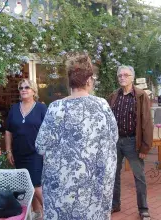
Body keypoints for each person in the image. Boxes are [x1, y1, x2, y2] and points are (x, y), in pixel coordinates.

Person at [35, 54, 118, 220]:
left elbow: (40, 146)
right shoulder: (102, 105)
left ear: (69, 81)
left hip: (62, 192)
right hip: (94, 190)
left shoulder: (55, 108)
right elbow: (113, 138)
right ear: (89, 81)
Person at [108, 65, 153, 219]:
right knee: (114, 175)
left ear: (132, 78)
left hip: (133, 142)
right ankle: (115, 204)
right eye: (120, 75)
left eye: (125, 75)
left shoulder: (140, 96)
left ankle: (143, 208)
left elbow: (147, 122)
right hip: (116, 142)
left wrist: (145, 147)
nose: (122, 78)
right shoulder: (114, 96)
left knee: (139, 176)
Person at [5, 79, 47, 220]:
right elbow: (8, 131)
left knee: (36, 185)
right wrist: (9, 150)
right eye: (21, 87)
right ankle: (37, 214)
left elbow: (48, 131)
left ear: (34, 91)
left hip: (36, 153)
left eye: (27, 87)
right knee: (28, 186)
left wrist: (47, 151)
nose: (23, 89)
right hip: (19, 154)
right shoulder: (14, 109)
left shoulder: (41, 109)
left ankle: (52, 213)